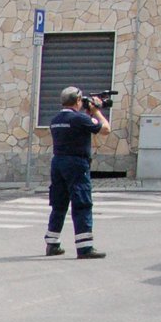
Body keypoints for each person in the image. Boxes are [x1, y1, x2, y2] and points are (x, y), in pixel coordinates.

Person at [45, 86, 111, 259]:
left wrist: (87, 114)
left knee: (59, 204)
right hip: (76, 163)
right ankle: (85, 248)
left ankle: (52, 244)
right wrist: (96, 112)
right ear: (77, 101)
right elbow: (105, 129)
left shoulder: (55, 119)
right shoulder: (79, 118)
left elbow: (79, 126)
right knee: (82, 203)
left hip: (58, 163)